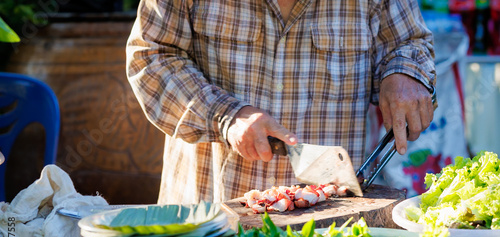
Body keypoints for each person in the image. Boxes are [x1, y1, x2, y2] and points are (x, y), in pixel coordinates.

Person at [126, 0, 436, 204]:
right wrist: (225, 115)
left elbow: (409, 43)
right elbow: (150, 56)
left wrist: (404, 74)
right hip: (209, 220)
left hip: (329, 231)